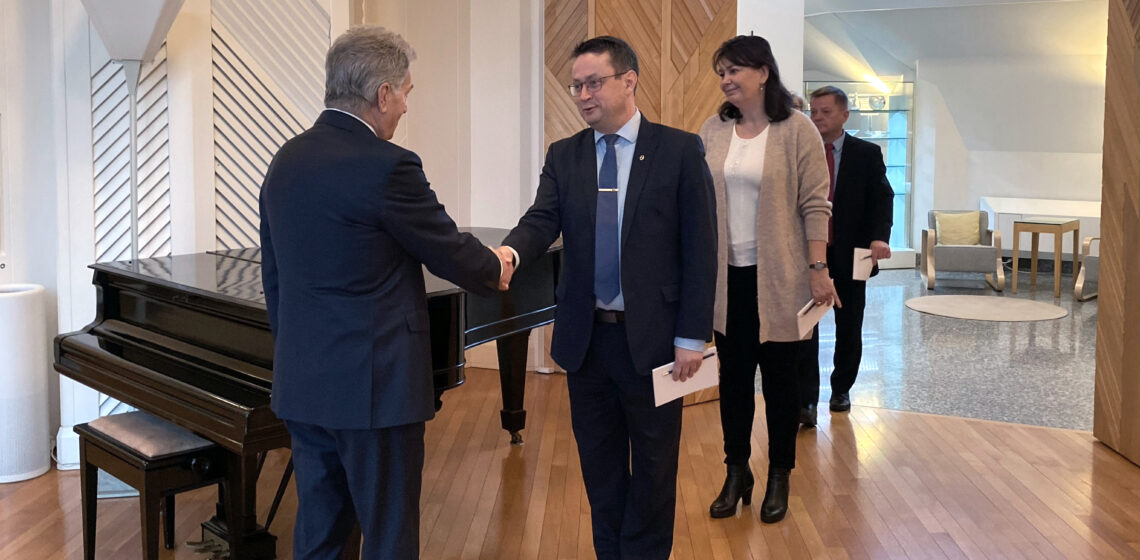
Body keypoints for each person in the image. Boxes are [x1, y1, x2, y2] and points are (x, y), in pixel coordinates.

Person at [259, 26, 512, 559]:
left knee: (320, 533)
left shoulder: (287, 158)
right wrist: (498, 264)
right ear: (382, 94)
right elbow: (450, 251)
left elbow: (275, 278)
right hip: (375, 391)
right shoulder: (388, 165)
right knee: (390, 534)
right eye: (406, 94)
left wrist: (298, 357)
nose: (404, 109)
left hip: (305, 381)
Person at [498, 36, 716, 560]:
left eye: (593, 82)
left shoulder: (679, 150)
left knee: (655, 468)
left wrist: (692, 337)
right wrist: (507, 253)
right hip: (587, 341)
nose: (583, 94)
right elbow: (540, 221)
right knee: (599, 466)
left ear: (629, 80)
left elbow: (701, 249)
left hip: (657, 343)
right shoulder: (565, 154)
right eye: (576, 85)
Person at [697, 35, 838, 523]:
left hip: (779, 278)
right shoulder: (714, 129)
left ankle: (780, 473)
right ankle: (737, 471)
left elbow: (815, 205)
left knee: (780, 382)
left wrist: (818, 269)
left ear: (763, 72)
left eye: (734, 70)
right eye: (721, 73)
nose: (726, 80)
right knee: (733, 381)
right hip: (726, 280)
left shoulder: (797, 129)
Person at [798, 85, 893, 423]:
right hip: (812, 252)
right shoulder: (801, 151)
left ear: (844, 115)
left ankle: (841, 389)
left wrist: (879, 238)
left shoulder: (866, 153)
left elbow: (882, 199)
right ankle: (806, 400)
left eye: (825, 111)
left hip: (855, 252)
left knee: (850, 323)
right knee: (807, 325)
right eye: (814, 111)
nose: (818, 117)